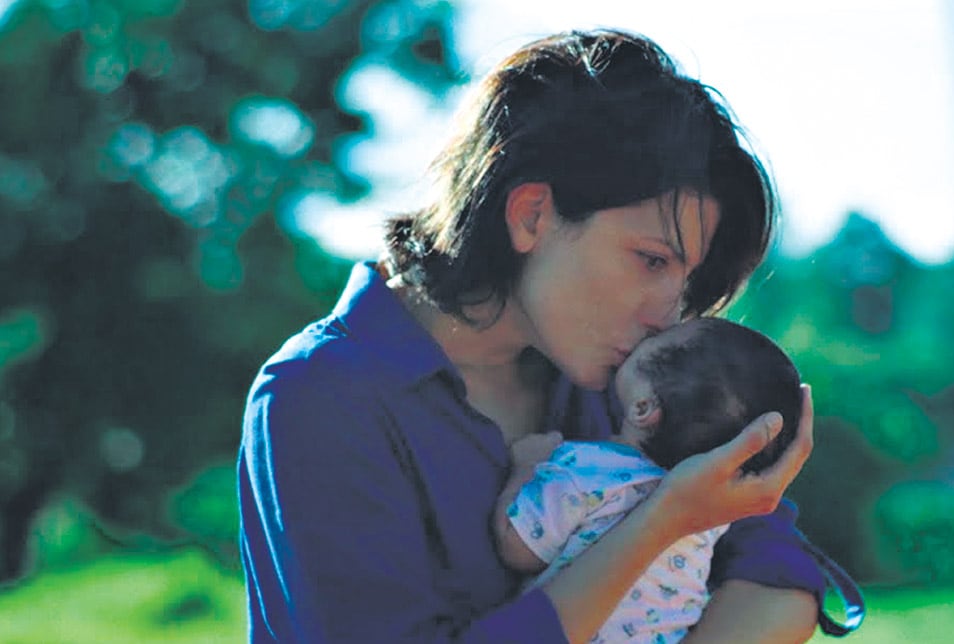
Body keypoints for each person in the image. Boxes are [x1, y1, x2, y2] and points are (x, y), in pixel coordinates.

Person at [238, 28, 860, 643]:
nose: (667, 315)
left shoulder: (625, 381)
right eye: (650, 260)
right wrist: (661, 520)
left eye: (685, 278)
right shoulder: (319, 396)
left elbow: (781, 580)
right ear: (531, 214)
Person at [493, 318, 806, 643]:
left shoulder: (586, 471)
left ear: (643, 407)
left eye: (656, 340)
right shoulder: (712, 516)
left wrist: (526, 466)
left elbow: (517, 547)